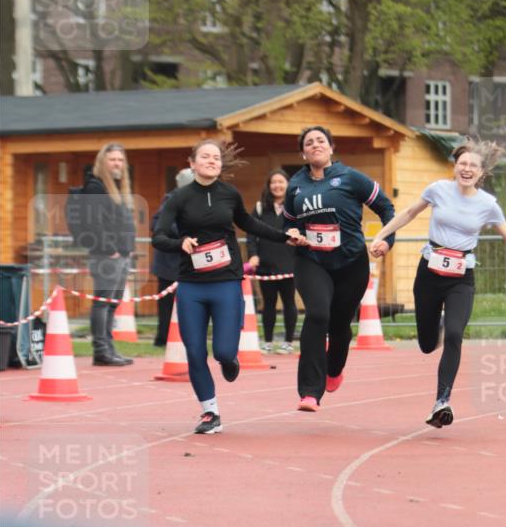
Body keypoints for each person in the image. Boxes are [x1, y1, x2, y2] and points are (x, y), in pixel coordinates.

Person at [370, 137, 506, 428]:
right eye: (462, 163)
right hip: (429, 272)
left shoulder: (488, 204)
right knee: (427, 344)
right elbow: (410, 213)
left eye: (473, 166)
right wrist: (381, 236)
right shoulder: (438, 190)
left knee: (454, 335)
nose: (466, 169)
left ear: (481, 172)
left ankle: (442, 402)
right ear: (455, 167)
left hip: (462, 277)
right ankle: (436, 329)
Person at [152, 139, 305, 435]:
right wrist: (179, 243)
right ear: (192, 162)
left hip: (225, 281)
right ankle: (210, 412)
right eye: (205, 157)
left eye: (216, 158)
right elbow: (158, 235)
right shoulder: (179, 198)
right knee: (195, 351)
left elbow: (249, 224)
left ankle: (229, 358)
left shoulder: (229, 194)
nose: (212, 161)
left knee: (222, 351)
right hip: (191, 284)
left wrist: (284, 236)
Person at [283, 126, 395, 412]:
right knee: (318, 315)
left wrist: (386, 240)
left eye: (321, 140)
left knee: (340, 324)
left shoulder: (350, 178)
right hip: (311, 260)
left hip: (350, 262)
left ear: (331, 147)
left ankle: (334, 369)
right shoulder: (295, 184)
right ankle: (309, 391)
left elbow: (386, 208)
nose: (315, 145)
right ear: (303, 152)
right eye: (309, 142)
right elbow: (287, 222)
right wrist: (292, 233)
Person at [79, 143, 136, 366]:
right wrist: (110, 249)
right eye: (113, 159)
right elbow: (92, 223)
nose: (117, 164)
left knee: (112, 303)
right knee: (102, 303)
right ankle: (101, 351)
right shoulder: (95, 186)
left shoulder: (118, 188)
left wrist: (127, 247)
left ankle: (109, 349)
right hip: (106, 255)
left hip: (122, 254)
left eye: (120, 160)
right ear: (103, 161)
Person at [246, 169, 298, 354]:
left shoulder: (295, 207)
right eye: (273, 182)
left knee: (289, 303)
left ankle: (288, 342)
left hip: (290, 264)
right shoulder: (260, 208)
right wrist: (253, 254)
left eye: (281, 182)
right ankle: (267, 341)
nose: (277, 186)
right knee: (268, 304)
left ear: (288, 184)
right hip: (266, 265)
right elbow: (250, 234)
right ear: (269, 186)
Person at [151, 167, 194, 347]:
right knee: (167, 303)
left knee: (189, 303)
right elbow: (160, 226)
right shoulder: (170, 201)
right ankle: (162, 338)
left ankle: (185, 338)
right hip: (169, 263)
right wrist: (184, 236)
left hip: (186, 262)